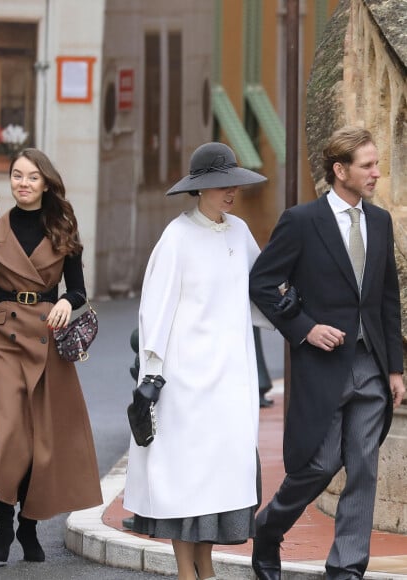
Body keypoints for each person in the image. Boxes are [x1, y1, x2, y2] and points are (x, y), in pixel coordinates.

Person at [249, 126, 404, 580]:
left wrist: (395, 369)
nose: (376, 173)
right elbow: (261, 282)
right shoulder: (301, 222)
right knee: (319, 464)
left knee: (363, 468)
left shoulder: (380, 221)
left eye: (376, 163)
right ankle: (270, 528)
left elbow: (387, 300)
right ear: (340, 171)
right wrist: (305, 329)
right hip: (322, 367)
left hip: (370, 365)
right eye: (367, 165)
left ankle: (346, 568)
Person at [123, 142, 268, 580]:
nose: (230, 192)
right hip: (184, 384)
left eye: (233, 184)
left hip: (230, 381)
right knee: (183, 482)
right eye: (220, 184)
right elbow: (155, 311)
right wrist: (152, 375)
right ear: (199, 189)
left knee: (220, 481)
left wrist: (294, 309)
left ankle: (205, 564)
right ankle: (187, 569)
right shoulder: (176, 237)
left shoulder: (240, 232)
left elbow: (259, 294)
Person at [0, 148, 102, 564]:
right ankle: (2, 523)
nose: (23, 183)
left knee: (39, 443)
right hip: (2, 336)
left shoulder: (63, 227)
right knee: (6, 432)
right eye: (16, 175)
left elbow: (79, 289)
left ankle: (28, 528)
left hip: (48, 334)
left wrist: (69, 302)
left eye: (31, 177)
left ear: (45, 183)